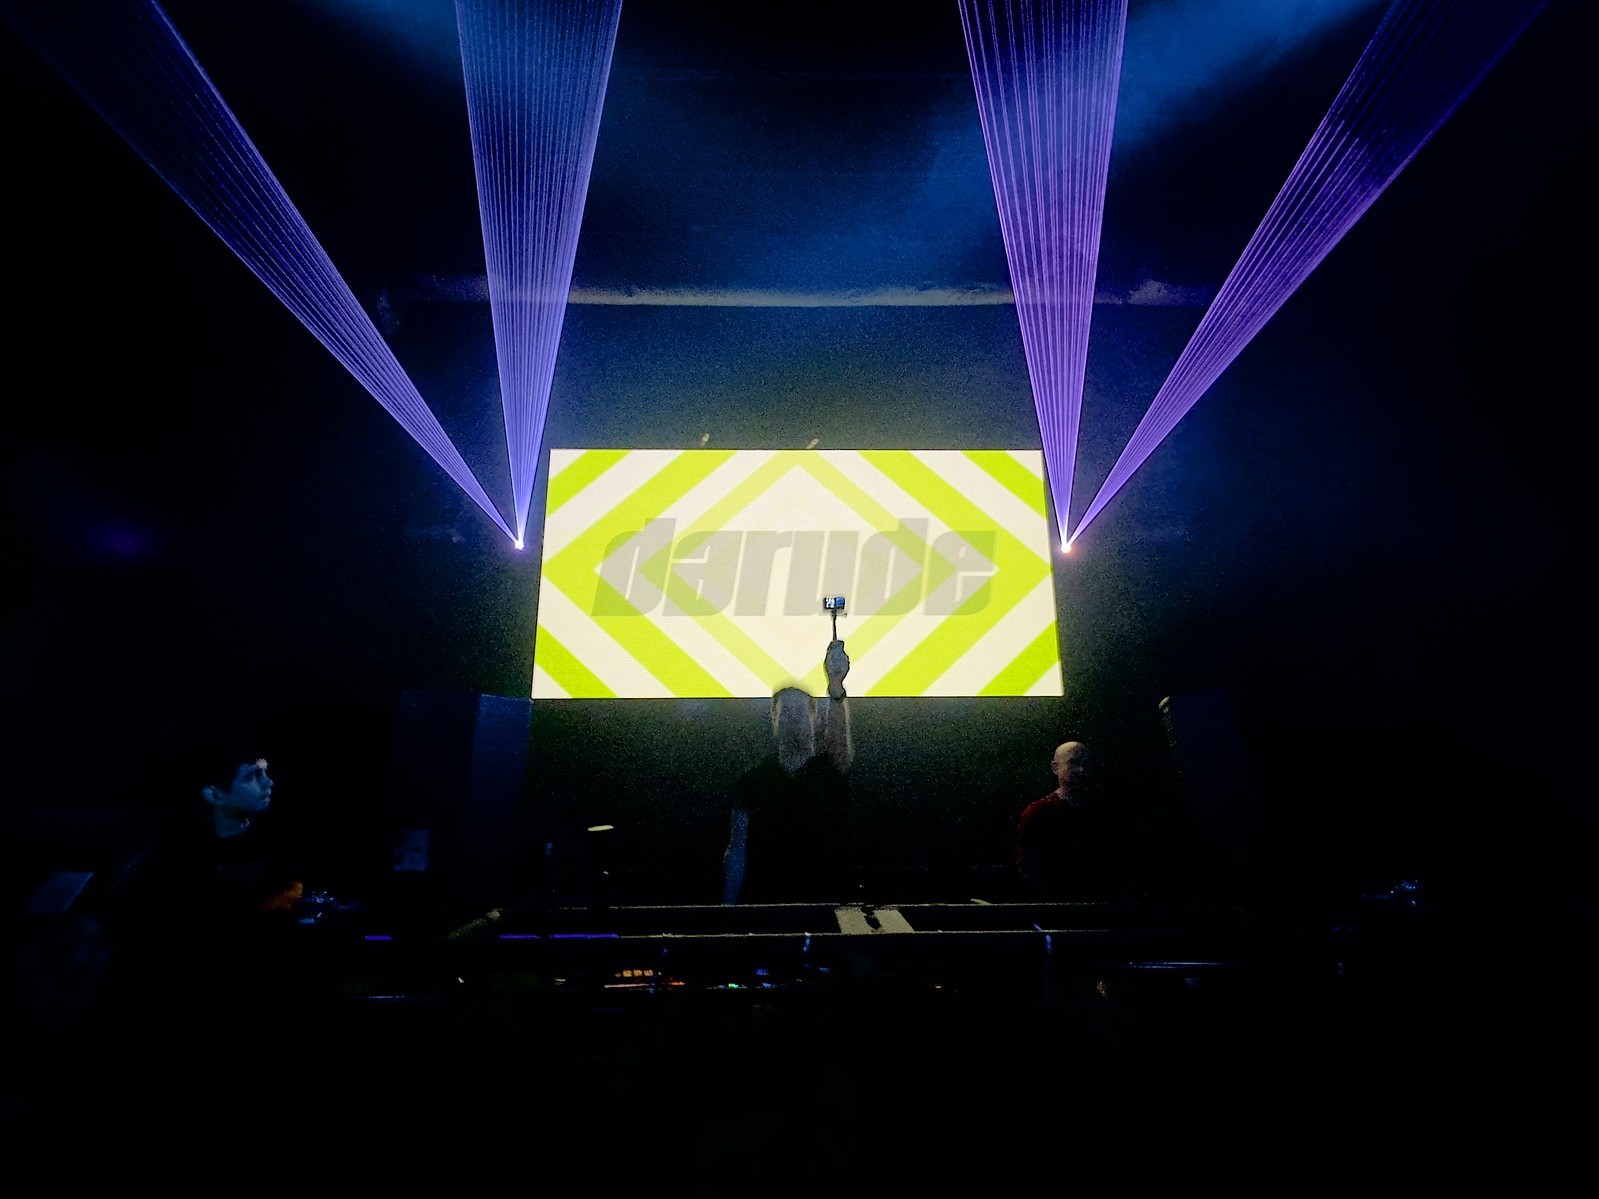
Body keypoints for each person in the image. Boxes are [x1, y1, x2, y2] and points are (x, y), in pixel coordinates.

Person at [722, 640, 854, 905]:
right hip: (768, 904)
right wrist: (728, 908)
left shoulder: (826, 774)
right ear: (774, 718)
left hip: (823, 904)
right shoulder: (752, 782)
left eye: (799, 711)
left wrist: (836, 687)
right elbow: (737, 850)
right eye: (786, 712)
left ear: (815, 718)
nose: (793, 718)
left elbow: (839, 746)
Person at [1014, 740, 1111, 900]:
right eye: (1073, 763)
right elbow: (1029, 867)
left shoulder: (1104, 810)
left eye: (1086, 763)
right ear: (1055, 767)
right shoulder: (1038, 812)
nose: (1081, 769)